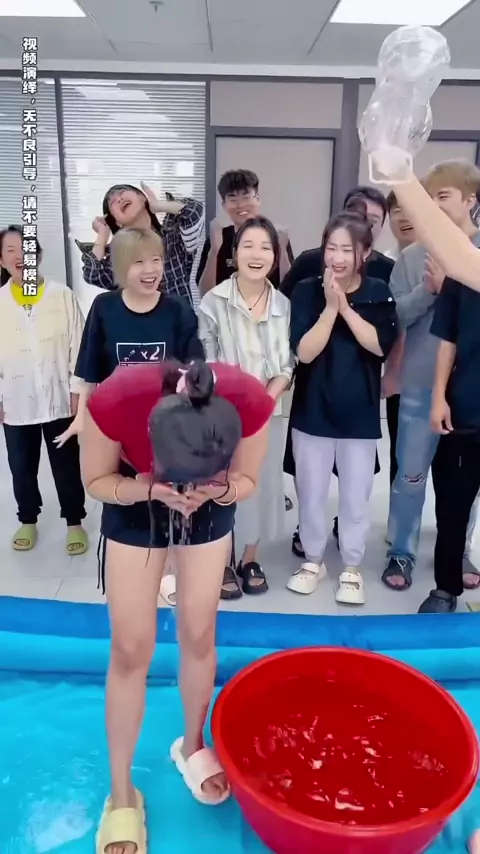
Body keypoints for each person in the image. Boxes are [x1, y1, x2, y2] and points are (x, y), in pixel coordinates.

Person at [82, 359, 274, 854]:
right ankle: (122, 794)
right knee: (130, 647)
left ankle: (192, 744)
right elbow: (96, 480)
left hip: (211, 503)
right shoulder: (118, 398)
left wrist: (219, 488)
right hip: (134, 492)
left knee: (198, 631)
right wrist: (149, 487)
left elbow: (249, 479)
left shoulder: (249, 400)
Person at [285, 209, 397, 606]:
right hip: (311, 409)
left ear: (364, 252)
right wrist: (330, 308)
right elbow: (304, 352)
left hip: (359, 413)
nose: (336, 257)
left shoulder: (378, 290)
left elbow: (379, 346)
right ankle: (313, 560)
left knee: (355, 496)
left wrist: (345, 307)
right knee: (311, 492)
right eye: (331, 247)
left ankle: (351, 566)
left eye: (347, 250)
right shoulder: (305, 291)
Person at [382, 161, 480, 593]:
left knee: (464, 483)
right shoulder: (411, 256)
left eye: (443, 196)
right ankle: (400, 550)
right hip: (421, 385)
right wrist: (431, 290)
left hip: (471, 391)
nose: (434, 205)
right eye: (429, 197)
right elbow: (397, 317)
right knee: (410, 476)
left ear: (469, 200)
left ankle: (457, 551)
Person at [198, 216, 294, 599]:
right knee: (222, 484)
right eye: (248, 246)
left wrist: (263, 403)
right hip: (222, 413)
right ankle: (222, 559)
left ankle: (250, 558)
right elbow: (207, 362)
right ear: (234, 253)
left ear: (275, 255)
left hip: (267, 413)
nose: (257, 254)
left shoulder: (283, 304)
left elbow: (286, 364)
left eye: (266, 247)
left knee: (260, 484)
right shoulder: (214, 301)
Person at [0, 225, 88, 553]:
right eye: (11, 250)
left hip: (59, 396)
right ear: (2, 260)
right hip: (15, 401)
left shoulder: (61, 295)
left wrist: (78, 391)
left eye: (25, 249)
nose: (20, 256)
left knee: (66, 465)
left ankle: (74, 522)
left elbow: (79, 346)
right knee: (21, 466)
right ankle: (28, 519)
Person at [75, 183, 204, 307]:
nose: (118, 199)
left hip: (181, 321)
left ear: (143, 198)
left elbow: (194, 211)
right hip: (139, 321)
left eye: (121, 192)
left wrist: (159, 206)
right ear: (116, 221)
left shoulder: (173, 236)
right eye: (112, 202)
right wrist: (102, 235)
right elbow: (92, 273)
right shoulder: (120, 256)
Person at [280, 185, 394, 300]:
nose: (364, 224)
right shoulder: (307, 263)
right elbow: (283, 302)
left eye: (373, 220)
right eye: (357, 216)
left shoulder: (388, 270)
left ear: (382, 225)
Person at [196, 169, 294, 294]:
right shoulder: (217, 239)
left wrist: (282, 250)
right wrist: (214, 250)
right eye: (233, 199)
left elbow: (288, 290)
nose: (240, 205)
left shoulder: (276, 238)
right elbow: (205, 293)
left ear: (257, 199)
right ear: (224, 205)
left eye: (246, 197)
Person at [381, 190, 417, 487]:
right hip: (399, 375)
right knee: (401, 454)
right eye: (396, 211)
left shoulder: (444, 257)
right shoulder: (385, 263)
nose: (404, 217)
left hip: (440, 373)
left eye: (411, 209)